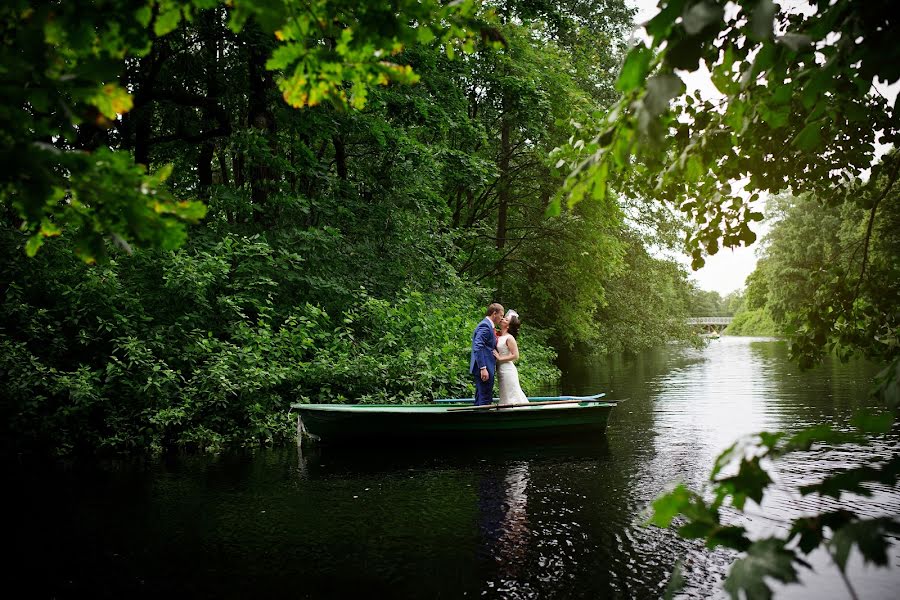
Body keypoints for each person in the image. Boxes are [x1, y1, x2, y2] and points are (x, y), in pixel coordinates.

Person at [470, 303, 504, 406]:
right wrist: (483, 368)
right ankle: (483, 420)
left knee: (481, 396)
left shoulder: (489, 326)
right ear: (494, 314)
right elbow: (478, 346)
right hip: (484, 367)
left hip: (485, 367)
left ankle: (477, 420)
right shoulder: (485, 325)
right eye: (501, 315)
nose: (502, 319)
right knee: (485, 398)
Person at [493, 310, 528, 405]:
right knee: (504, 393)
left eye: (506, 319)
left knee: (511, 393)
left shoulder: (509, 338)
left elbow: (515, 355)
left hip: (508, 370)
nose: (503, 319)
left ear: (508, 326)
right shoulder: (499, 335)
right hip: (500, 369)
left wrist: (500, 358)